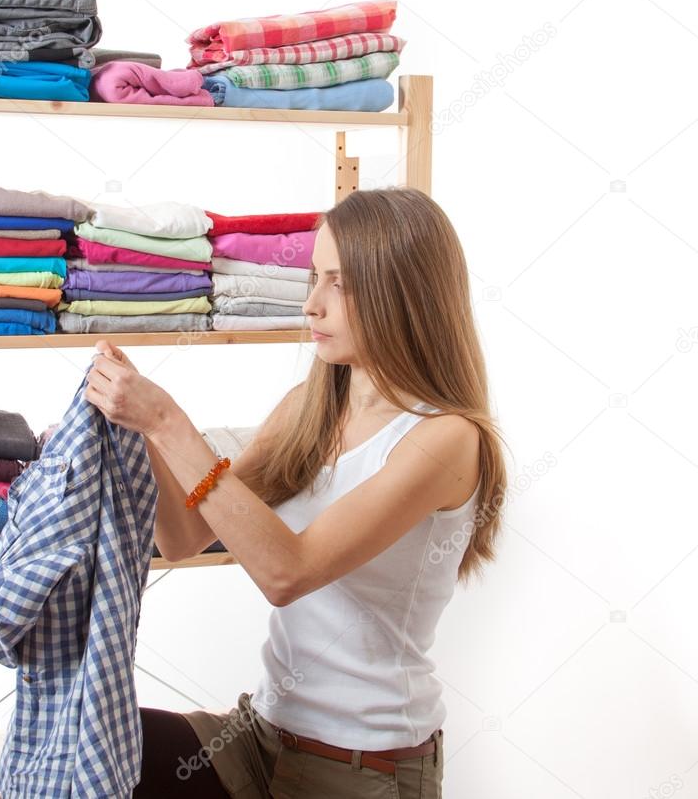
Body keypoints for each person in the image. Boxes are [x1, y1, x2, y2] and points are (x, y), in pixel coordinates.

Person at [83, 187, 508, 798]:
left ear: (402, 290)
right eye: (314, 277)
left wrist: (166, 422)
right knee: (94, 742)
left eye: (339, 282)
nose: (311, 304)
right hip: (261, 741)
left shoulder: (444, 440)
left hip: (365, 771)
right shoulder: (306, 410)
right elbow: (181, 538)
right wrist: (135, 430)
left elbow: (287, 571)